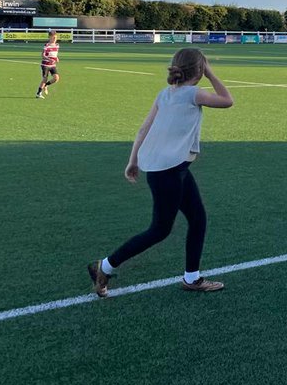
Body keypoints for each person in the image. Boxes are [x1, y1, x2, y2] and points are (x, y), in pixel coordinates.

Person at [88, 48, 233, 297]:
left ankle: (192, 277)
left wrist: (132, 161)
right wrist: (210, 72)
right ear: (198, 71)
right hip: (169, 171)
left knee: (198, 219)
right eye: (203, 68)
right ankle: (105, 266)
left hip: (174, 169)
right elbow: (227, 100)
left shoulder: (165, 94)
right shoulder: (193, 94)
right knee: (160, 229)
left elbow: (143, 129)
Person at [36, 31, 60, 98]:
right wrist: (49, 59)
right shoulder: (47, 45)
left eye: (56, 37)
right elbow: (42, 55)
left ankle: (46, 85)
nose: (55, 38)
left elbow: (54, 54)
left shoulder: (57, 45)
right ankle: (39, 93)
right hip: (45, 65)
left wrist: (56, 58)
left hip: (53, 65)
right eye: (53, 37)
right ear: (50, 37)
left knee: (56, 78)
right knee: (45, 78)